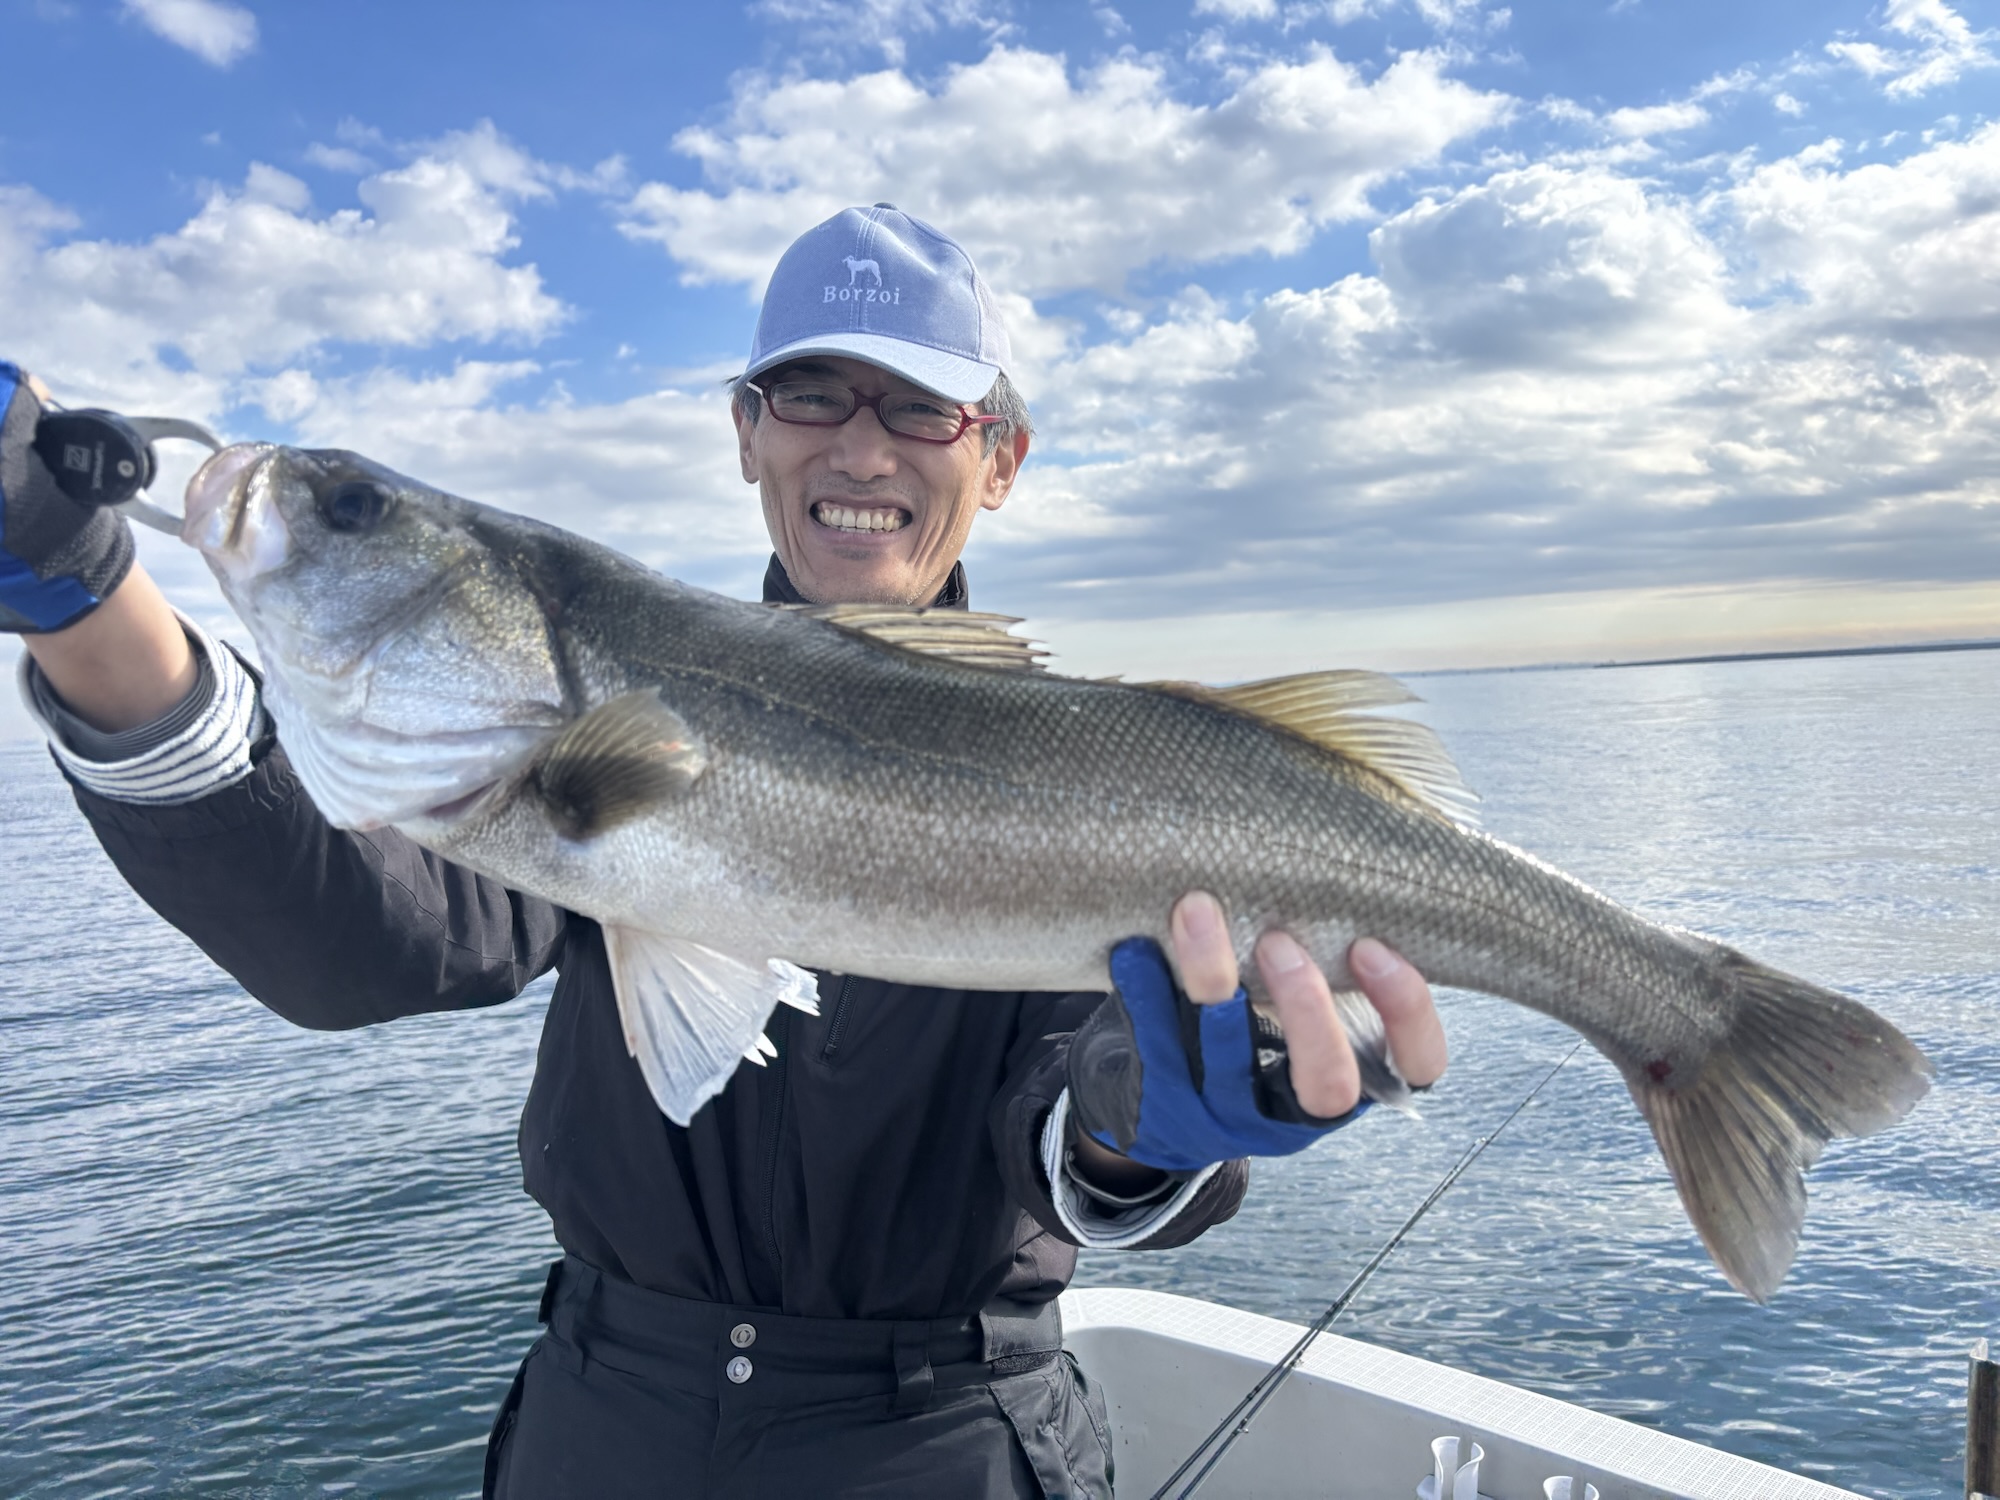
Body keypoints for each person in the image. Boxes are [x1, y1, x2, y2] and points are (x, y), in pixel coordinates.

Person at [2, 205, 1447, 1498]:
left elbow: (1077, 1105)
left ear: (999, 457)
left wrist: (1148, 1126)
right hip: (598, 1424)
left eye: (923, 409)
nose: (862, 448)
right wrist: (83, 597)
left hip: (943, 1440)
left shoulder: (1105, 773)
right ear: (747, 432)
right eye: (812, 393)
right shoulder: (586, 717)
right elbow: (360, 937)